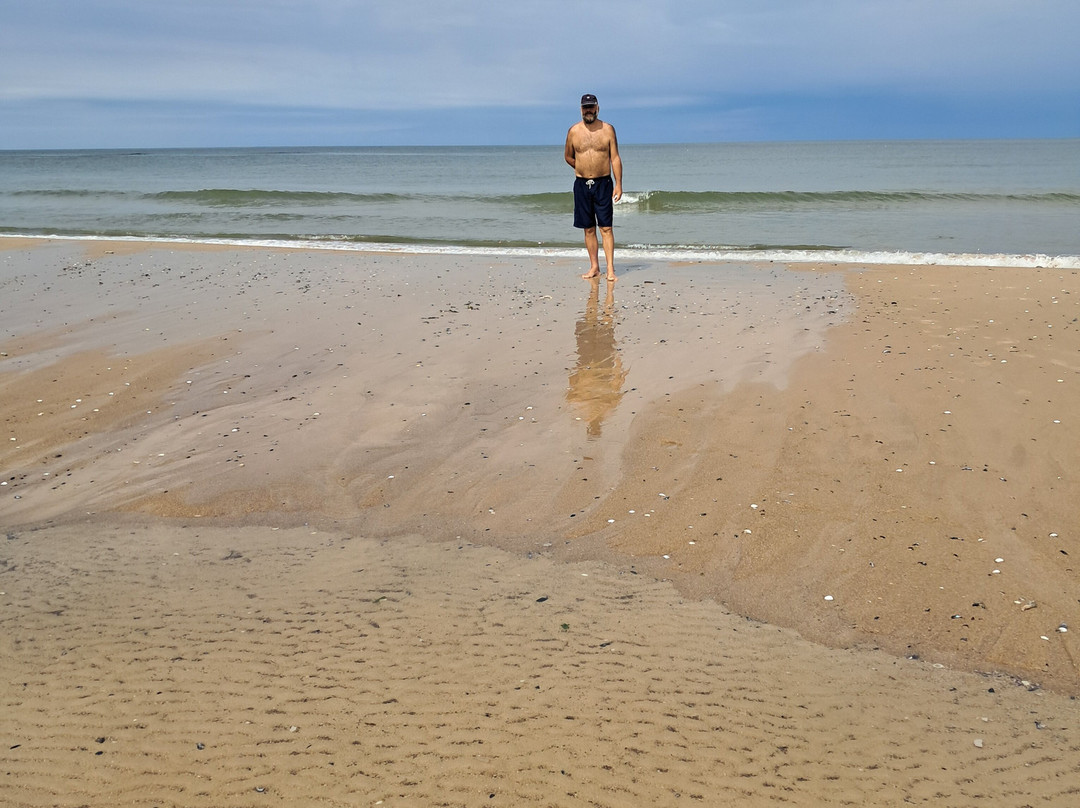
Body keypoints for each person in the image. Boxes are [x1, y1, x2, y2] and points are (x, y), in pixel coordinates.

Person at [564, 93, 623, 282]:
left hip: (603, 184)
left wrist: (619, 184)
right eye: (585, 107)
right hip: (582, 185)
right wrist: (581, 168)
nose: (588, 110)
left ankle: (611, 270)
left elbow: (614, 158)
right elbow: (568, 156)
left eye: (591, 107)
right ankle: (594, 267)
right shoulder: (573, 131)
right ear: (581, 109)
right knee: (588, 229)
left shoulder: (608, 130)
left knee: (606, 228)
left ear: (597, 108)